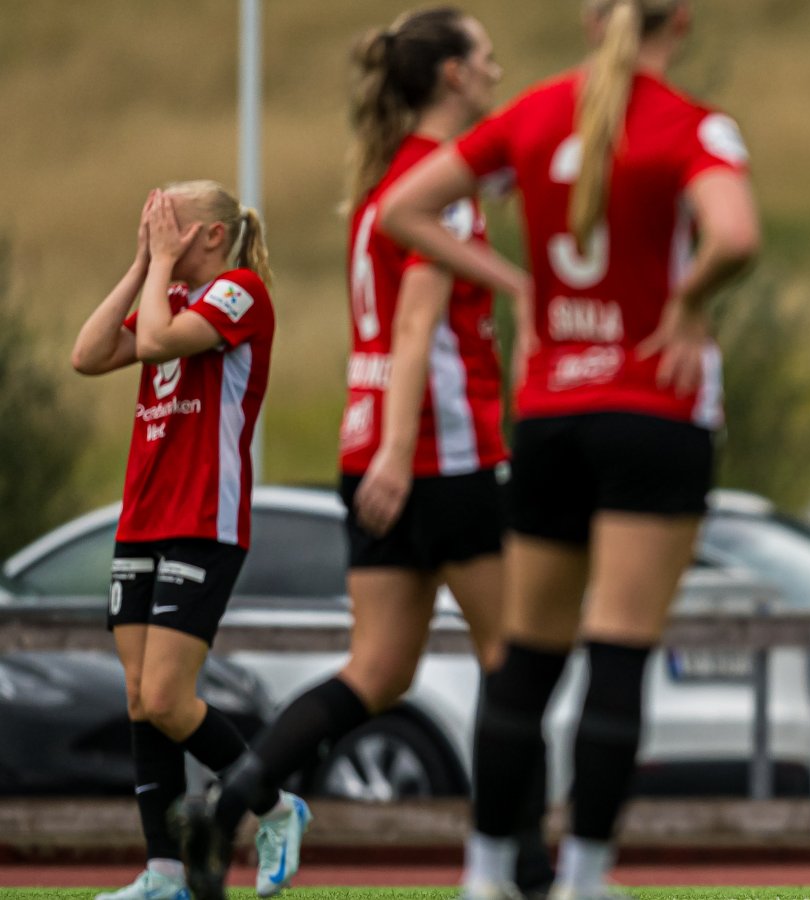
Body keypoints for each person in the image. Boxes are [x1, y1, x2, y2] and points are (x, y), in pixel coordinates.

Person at [379, 1, 759, 897]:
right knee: (618, 651)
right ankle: (584, 878)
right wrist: (691, 299)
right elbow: (735, 235)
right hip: (652, 412)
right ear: (683, 20)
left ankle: (483, 878)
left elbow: (402, 209)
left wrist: (522, 284)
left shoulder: (533, 113)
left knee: (526, 659)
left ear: (592, 21)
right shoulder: (692, 125)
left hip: (550, 413)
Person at [168, 9, 529, 900]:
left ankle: (237, 794)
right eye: (482, 55)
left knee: (379, 668)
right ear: (449, 75)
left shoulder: (381, 188)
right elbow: (415, 329)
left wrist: (384, 453)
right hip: (436, 448)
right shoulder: (438, 185)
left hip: (369, 441)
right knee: (515, 659)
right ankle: (525, 862)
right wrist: (406, 455)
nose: (495, 67)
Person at [70, 182, 290, 900]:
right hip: (143, 517)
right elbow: (89, 353)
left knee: (169, 695)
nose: (161, 228)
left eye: (174, 224)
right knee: (139, 700)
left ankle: (276, 807)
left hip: (203, 520)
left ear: (212, 238)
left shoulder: (240, 292)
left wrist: (161, 265)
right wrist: (142, 264)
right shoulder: (169, 297)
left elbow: (161, 340)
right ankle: (163, 870)